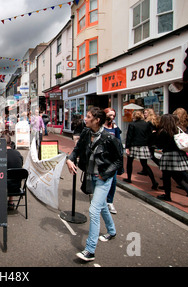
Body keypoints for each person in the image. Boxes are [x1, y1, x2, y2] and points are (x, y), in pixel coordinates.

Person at [66, 107, 123, 262]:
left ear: (97, 120)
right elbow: (77, 150)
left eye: (89, 116)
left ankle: (90, 250)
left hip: (104, 178)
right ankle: (111, 231)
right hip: (92, 176)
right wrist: (70, 159)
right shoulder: (86, 132)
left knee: (94, 209)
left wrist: (105, 174)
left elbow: (119, 160)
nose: (85, 118)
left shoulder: (108, 138)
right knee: (102, 205)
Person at [155, 114, 188, 206]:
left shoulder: (163, 132)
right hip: (180, 155)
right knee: (178, 177)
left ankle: (168, 195)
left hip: (168, 156)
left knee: (166, 177)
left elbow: (159, 145)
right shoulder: (180, 130)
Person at [123, 110, 159, 190]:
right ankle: (154, 181)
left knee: (130, 162)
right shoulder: (147, 124)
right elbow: (150, 134)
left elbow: (129, 136)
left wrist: (127, 147)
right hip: (143, 145)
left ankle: (129, 178)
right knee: (144, 164)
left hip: (134, 145)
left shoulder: (132, 124)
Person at [103, 108, 122, 214]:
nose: (112, 117)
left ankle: (110, 201)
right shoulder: (101, 128)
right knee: (102, 179)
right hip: (102, 158)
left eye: (113, 115)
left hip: (113, 159)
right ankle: (101, 199)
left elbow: (118, 143)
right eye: (110, 115)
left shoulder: (115, 128)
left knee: (113, 181)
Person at [6, 135, 24, 210]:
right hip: (16, 187)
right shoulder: (18, 154)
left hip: (2, 188)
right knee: (12, 174)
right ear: (10, 143)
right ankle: (10, 202)